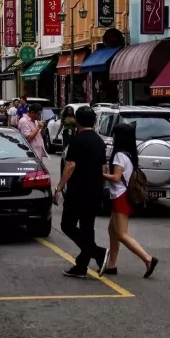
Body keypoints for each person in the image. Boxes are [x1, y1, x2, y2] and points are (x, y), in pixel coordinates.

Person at [53, 106, 109, 279]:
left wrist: (59, 187)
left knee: (67, 225)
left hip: (78, 191)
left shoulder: (77, 141)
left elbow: (70, 165)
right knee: (87, 227)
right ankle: (81, 267)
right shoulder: (99, 141)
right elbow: (104, 168)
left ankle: (98, 252)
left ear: (77, 121)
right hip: (95, 190)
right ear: (94, 121)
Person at [103, 123, 158, 279]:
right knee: (112, 231)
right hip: (119, 196)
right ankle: (112, 265)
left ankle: (148, 259)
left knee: (121, 233)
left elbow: (116, 178)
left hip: (120, 196)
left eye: (115, 135)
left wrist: (101, 174)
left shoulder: (120, 155)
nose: (113, 138)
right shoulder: (129, 154)